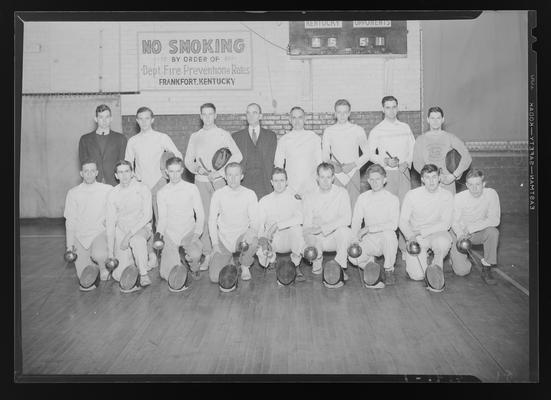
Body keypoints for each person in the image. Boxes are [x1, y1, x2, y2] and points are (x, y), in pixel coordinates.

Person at [184, 103, 243, 271]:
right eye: (204, 114)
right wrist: (195, 168)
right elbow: (188, 160)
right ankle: (208, 253)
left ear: (215, 115)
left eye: (211, 114)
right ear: (200, 116)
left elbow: (238, 156)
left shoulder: (224, 134)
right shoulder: (195, 136)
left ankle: (225, 251)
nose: (208, 117)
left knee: (222, 217)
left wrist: (219, 173)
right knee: (203, 217)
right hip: (201, 182)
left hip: (219, 181)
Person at [124, 106, 183, 225]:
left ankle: (163, 244)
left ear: (152, 120)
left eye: (146, 118)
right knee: (143, 222)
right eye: (140, 119)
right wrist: (134, 177)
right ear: (137, 121)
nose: (144, 122)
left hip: (159, 182)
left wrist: (166, 173)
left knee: (161, 220)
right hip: (140, 184)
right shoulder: (132, 141)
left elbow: (178, 156)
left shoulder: (161, 137)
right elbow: (127, 164)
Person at [399, 164, 453, 290]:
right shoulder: (412, 195)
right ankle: (422, 261)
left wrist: (421, 231)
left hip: (437, 233)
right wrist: (410, 236)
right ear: (422, 179)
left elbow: (446, 224)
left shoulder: (447, 195)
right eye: (427, 178)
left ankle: (436, 265)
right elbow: (402, 220)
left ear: (439, 177)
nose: (431, 181)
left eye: (434, 177)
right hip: (416, 237)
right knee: (417, 276)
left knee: (444, 242)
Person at [63, 160, 113, 289]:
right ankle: (93, 265)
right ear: (81, 173)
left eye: (92, 171)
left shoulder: (107, 190)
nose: (89, 174)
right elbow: (70, 221)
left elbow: (118, 207)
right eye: (86, 171)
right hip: (81, 236)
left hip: (99, 233)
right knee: (84, 278)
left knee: (99, 255)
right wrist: (69, 246)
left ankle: (102, 267)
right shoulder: (73, 193)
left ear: (96, 173)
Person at [348, 164, 400, 286]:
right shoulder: (363, 198)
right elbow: (356, 220)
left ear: (385, 180)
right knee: (352, 256)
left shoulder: (393, 199)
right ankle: (372, 266)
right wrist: (354, 239)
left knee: (390, 234)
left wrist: (368, 228)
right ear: (368, 181)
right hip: (369, 239)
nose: (375, 182)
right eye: (372, 179)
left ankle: (388, 270)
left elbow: (393, 225)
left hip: (384, 239)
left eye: (378, 179)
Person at [208, 162, 259, 284]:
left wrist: (251, 232)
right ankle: (228, 259)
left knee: (253, 241)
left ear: (242, 176)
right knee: (215, 278)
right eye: (229, 175)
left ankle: (245, 266)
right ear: (225, 176)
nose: (233, 179)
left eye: (236, 175)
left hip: (241, 239)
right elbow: (212, 220)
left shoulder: (249, 194)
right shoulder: (218, 194)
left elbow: (255, 220)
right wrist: (215, 244)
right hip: (223, 239)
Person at [156, 157, 204, 284]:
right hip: (171, 234)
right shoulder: (162, 192)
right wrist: (159, 234)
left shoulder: (191, 188)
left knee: (194, 254)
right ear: (166, 171)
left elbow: (200, 214)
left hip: (188, 231)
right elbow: (162, 218)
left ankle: (193, 266)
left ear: (182, 170)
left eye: (177, 171)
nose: (175, 175)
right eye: (171, 171)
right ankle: (177, 258)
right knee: (167, 275)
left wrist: (196, 234)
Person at [106, 160, 153, 290]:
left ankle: (143, 273)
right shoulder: (113, 193)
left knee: (137, 241)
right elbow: (110, 223)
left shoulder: (143, 188)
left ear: (132, 173)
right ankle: (136, 259)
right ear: (116, 176)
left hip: (141, 228)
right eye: (120, 172)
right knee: (118, 276)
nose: (124, 175)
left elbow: (147, 216)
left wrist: (128, 236)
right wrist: (110, 253)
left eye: (127, 171)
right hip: (121, 231)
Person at [302, 162, 353, 280]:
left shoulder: (342, 193)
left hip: (334, 237)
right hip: (317, 238)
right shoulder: (309, 196)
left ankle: (339, 267)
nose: (325, 181)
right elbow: (307, 226)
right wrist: (311, 243)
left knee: (345, 231)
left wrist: (323, 228)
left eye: (328, 177)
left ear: (333, 178)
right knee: (308, 238)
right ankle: (317, 260)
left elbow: (347, 219)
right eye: (322, 177)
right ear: (317, 178)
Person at [449, 169, 501, 285]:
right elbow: (454, 221)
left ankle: (487, 267)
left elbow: (495, 220)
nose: (474, 188)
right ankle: (456, 258)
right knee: (462, 271)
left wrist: (472, 228)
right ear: (467, 185)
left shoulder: (491, 194)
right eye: (471, 185)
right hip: (460, 233)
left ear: (483, 184)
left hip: (477, 232)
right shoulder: (459, 197)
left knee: (493, 232)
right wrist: (460, 234)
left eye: (478, 184)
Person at [257, 167, 306, 281]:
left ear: (287, 182)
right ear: (271, 182)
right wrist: (263, 240)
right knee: (259, 245)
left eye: (282, 181)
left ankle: (296, 264)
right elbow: (260, 224)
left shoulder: (294, 198)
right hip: (273, 239)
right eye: (276, 181)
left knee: (297, 229)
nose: (279, 184)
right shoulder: (264, 200)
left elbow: (300, 218)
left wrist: (277, 225)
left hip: (289, 239)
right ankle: (272, 261)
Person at [322, 99, 370, 209]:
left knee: (354, 207)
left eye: (345, 112)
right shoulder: (329, 131)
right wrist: (333, 165)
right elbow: (325, 155)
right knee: (335, 207)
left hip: (353, 173)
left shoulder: (358, 130)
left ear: (349, 113)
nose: (342, 115)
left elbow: (367, 154)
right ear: (335, 113)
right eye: (339, 112)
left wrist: (352, 165)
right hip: (336, 175)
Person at [367, 95, 415, 204]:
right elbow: (369, 154)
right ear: (383, 109)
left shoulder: (405, 127)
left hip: (404, 172)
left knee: (405, 205)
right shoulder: (377, 130)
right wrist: (385, 161)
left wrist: (407, 163)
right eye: (388, 108)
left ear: (397, 108)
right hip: (386, 174)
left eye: (394, 107)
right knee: (388, 207)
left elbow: (413, 149)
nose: (391, 110)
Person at [413, 106, 472, 194]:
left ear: (443, 119)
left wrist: (453, 176)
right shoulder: (421, 139)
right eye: (432, 118)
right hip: (429, 183)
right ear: (428, 120)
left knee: (448, 207)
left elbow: (467, 157)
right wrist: (431, 177)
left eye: (438, 118)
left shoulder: (450, 137)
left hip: (447, 183)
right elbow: (417, 163)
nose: (435, 121)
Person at [232, 103, 278, 200]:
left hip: (265, 185)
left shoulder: (270, 136)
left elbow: (273, 162)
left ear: (260, 116)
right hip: (243, 184)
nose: (251, 116)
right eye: (248, 113)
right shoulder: (236, 137)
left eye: (254, 112)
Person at [274, 106, 322, 198]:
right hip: (291, 189)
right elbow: (279, 165)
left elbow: (319, 163)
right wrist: (285, 187)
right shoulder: (284, 140)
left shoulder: (314, 137)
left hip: (311, 187)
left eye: (300, 117)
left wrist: (317, 185)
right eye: (294, 118)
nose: (297, 121)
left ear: (305, 119)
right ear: (290, 120)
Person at [78, 104, 127, 186]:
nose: (104, 120)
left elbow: (123, 164)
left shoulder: (121, 139)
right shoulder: (85, 139)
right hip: (93, 184)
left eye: (107, 117)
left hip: (114, 184)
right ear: (96, 119)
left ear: (111, 119)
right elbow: (84, 164)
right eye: (101, 117)